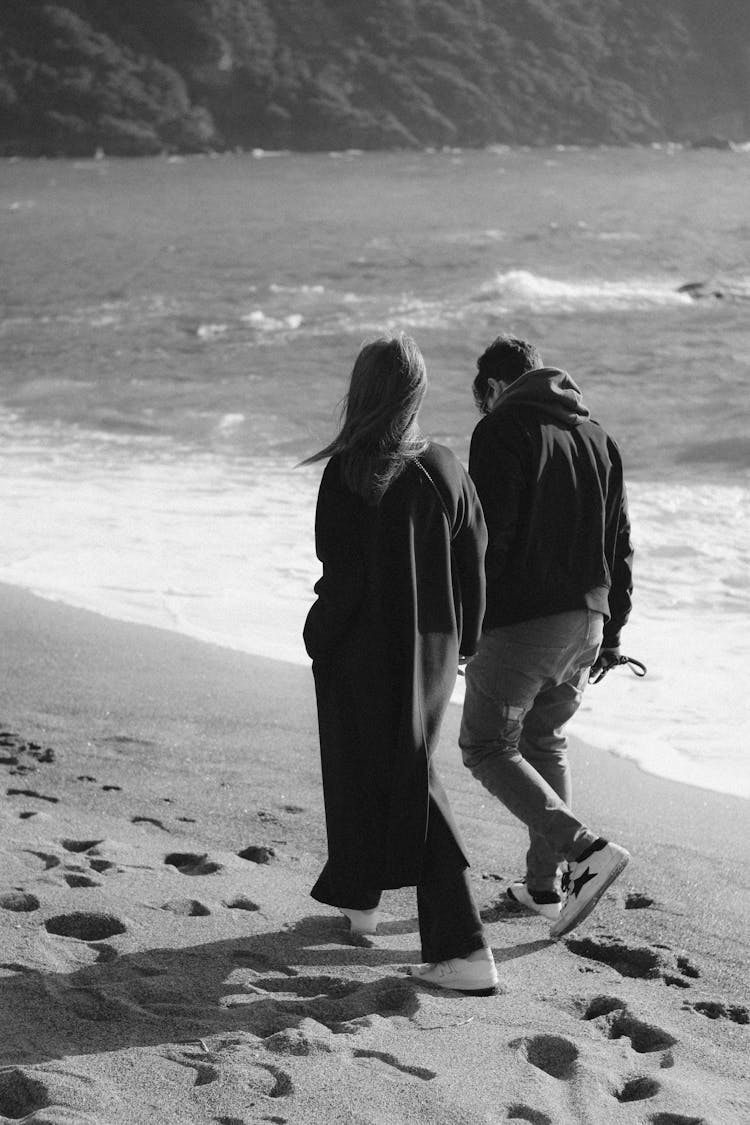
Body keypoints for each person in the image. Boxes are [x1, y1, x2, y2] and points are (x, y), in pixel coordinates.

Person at [302, 334, 498, 995]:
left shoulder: (351, 470)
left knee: (392, 775)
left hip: (366, 651)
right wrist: (467, 640)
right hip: (435, 654)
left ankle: (466, 947)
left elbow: (342, 576)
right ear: (415, 391)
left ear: (361, 391)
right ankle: (359, 900)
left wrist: (317, 634)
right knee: (393, 770)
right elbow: (475, 559)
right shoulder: (445, 465)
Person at [459, 335, 634, 939]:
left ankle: (583, 849)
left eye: (480, 398)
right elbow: (620, 545)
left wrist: (466, 620)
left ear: (492, 388)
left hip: (521, 624)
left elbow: (491, 539)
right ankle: (543, 887)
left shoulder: (501, 429)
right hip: (586, 622)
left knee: (486, 746)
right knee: (543, 741)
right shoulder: (598, 436)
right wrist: (614, 631)